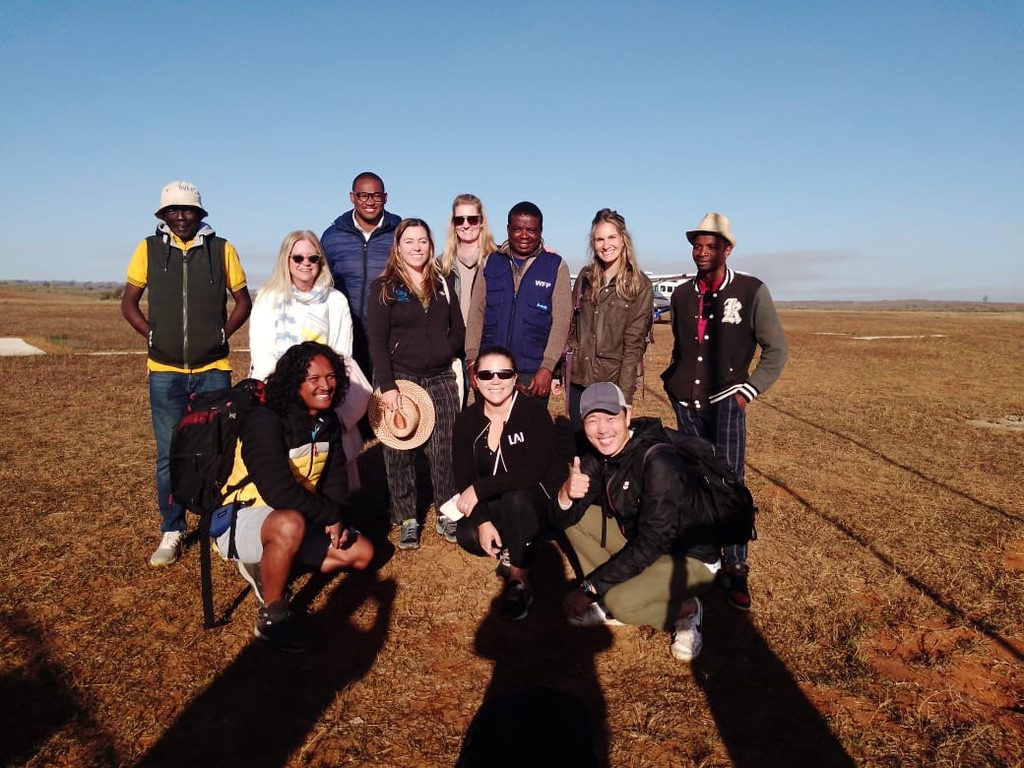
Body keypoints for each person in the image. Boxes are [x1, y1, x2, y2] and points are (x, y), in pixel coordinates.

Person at [121, 180, 252, 568]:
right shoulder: (147, 249)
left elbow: (243, 299)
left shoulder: (221, 249)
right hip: (164, 371)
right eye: (173, 211)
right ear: (162, 215)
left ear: (200, 213)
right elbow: (129, 302)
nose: (181, 217)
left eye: (188, 210)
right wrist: (152, 335)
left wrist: (222, 334)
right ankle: (173, 528)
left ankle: (219, 526)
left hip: (213, 368)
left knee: (217, 450)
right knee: (169, 454)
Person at [661, 212, 788, 611]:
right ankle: (701, 554)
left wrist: (746, 391)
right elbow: (682, 348)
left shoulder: (751, 291)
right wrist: (673, 382)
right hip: (687, 401)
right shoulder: (682, 295)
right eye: (697, 245)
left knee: (730, 483)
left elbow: (776, 350)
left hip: (727, 401)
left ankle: (735, 565)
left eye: (711, 245)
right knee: (694, 479)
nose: (702, 252)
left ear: (727, 249)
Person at [215, 341, 374, 652]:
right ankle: (272, 617)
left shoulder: (326, 420)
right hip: (243, 517)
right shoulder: (265, 420)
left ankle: (270, 565)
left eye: (331, 377)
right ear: (294, 382)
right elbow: (277, 490)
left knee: (362, 554)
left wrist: (338, 515)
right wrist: (326, 515)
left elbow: (334, 477)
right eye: (314, 379)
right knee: (289, 524)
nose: (326, 386)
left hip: (298, 516)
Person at [554, 382, 722, 662]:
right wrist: (564, 494)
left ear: (627, 417)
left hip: (689, 558)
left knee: (621, 604)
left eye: (611, 417)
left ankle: (688, 609)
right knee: (577, 521)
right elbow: (562, 519)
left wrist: (589, 587)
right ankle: (618, 590)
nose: (602, 429)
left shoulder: (659, 461)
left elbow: (653, 541)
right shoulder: (598, 455)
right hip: (642, 544)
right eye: (592, 420)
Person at [367, 219, 465, 550]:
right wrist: (388, 384)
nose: (417, 247)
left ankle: (446, 512)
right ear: (398, 247)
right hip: (401, 377)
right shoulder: (384, 287)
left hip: (440, 376)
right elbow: (377, 341)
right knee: (399, 450)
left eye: (422, 240)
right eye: (409, 241)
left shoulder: (443, 281)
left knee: (444, 448)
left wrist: (444, 349)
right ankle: (407, 515)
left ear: (430, 245)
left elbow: (458, 328)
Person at [452, 346, 567, 620]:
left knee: (518, 497)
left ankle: (519, 580)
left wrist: (480, 489)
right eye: (486, 374)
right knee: (467, 536)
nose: (495, 380)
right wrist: (482, 522)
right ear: (475, 380)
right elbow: (464, 474)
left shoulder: (533, 414)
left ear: (515, 379)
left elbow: (533, 473)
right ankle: (518, 541)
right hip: (500, 502)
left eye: (503, 374)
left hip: (537, 499)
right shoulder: (467, 420)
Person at [247, 230, 368, 489]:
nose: (305, 264)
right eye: (298, 258)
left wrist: (320, 387)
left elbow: (340, 353)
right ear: (286, 260)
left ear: (321, 262)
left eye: (313, 258)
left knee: (329, 469)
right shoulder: (269, 297)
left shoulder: (334, 301)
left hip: (324, 394)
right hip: (278, 396)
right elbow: (262, 353)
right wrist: (290, 391)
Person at [464, 201, 572, 401]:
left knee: (528, 430)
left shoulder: (555, 266)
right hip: (491, 369)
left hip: (532, 371)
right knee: (491, 429)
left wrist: (547, 367)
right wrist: (472, 361)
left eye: (531, 230)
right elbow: (476, 313)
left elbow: (562, 321)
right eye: (518, 229)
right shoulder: (489, 262)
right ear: (508, 229)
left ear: (540, 231)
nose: (524, 235)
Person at [558, 208, 655, 431]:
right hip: (577, 379)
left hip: (610, 382)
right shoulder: (585, 276)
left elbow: (634, 346)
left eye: (611, 237)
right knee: (578, 444)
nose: (605, 244)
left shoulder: (639, 285)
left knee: (605, 445)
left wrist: (625, 398)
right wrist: (559, 373)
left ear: (623, 240)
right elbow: (571, 326)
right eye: (599, 239)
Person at [321, 171, 401, 378]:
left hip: (389, 336)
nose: (370, 201)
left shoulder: (401, 233)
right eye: (363, 195)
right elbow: (321, 284)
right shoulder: (333, 236)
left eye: (376, 195)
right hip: (347, 335)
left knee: (385, 401)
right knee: (351, 401)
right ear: (352, 197)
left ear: (385, 197)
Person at [439, 194, 499, 326]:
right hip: (453, 340)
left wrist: (541, 249)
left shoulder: (498, 260)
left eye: (472, 220)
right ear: (453, 225)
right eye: (459, 220)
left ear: (481, 222)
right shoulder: (441, 264)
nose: (466, 225)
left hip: (486, 339)